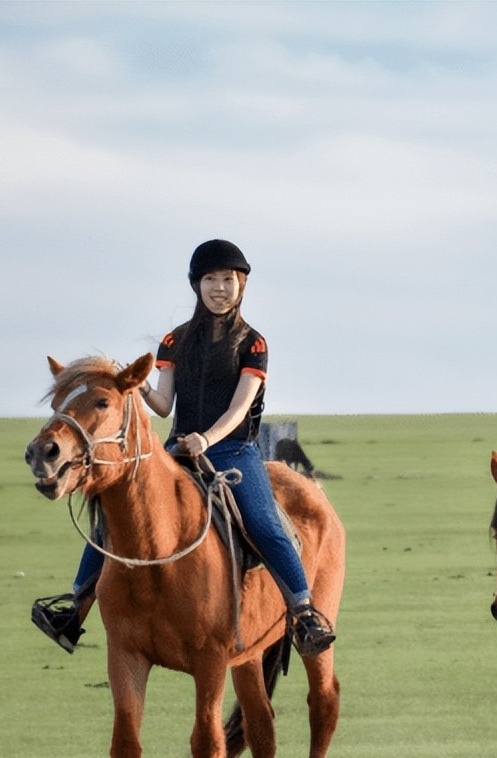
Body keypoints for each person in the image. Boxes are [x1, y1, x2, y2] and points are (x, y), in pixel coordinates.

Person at [31, 239, 337, 657]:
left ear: (241, 284)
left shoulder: (253, 343)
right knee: (112, 518)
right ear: (196, 285)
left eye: (228, 279)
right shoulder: (174, 342)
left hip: (233, 452)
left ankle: (302, 612)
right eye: (211, 279)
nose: (220, 288)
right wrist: (132, 386)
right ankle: (74, 609)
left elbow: (240, 405)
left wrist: (208, 439)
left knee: (265, 525)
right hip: (177, 451)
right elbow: (162, 406)